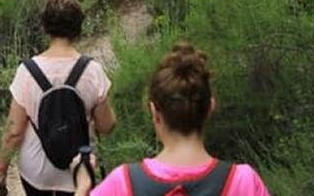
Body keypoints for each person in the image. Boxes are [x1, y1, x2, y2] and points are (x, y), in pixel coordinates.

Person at [72, 43, 270, 196]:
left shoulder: (123, 183)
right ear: (210, 108)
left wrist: (82, 186)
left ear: (154, 112)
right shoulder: (244, 182)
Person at [0, 0, 118, 196]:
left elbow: (13, 132)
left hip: (36, 173)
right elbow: (107, 125)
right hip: (77, 171)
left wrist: (1, 168)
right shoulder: (92, 71)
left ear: (45, 27)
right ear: (79, 27)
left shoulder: (27, 72)